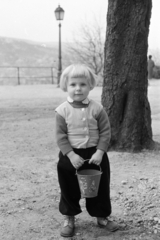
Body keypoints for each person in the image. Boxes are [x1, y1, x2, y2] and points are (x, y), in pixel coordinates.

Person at [55, 64, 118, 238]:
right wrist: (71, 155)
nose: (78, 89)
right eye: (73, 84)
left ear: (90, 85)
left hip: (95, 155)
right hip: (71, 155)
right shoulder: (62, 111)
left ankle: (101, 216)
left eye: (83, 84)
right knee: (69, 186)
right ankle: (69, 217)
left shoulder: (97, 109)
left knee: (100, 186)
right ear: (65, 86)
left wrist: (100, 152)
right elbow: (61, 136)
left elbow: (106, 132)